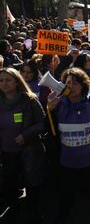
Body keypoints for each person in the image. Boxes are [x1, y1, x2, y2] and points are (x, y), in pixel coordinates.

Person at [47, 67, 90, 223]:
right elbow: (50, 131)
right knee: (66, 196)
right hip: (68, 162)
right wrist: (49, 110)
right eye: (67, 83)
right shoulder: (58, 105)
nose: (71, 87)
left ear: (83, 85)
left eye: (75, 83)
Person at [0, 68, 46, 223]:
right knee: (10, 184)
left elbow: (42, 123)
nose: (4, 83)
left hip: (30, 151)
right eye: (1, 80)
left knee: (32, 184)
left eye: (8, 80)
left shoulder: (30, 100)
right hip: (7, 152)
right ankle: (13, 211)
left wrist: (25, 135)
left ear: (17, 81)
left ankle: (33, 212)